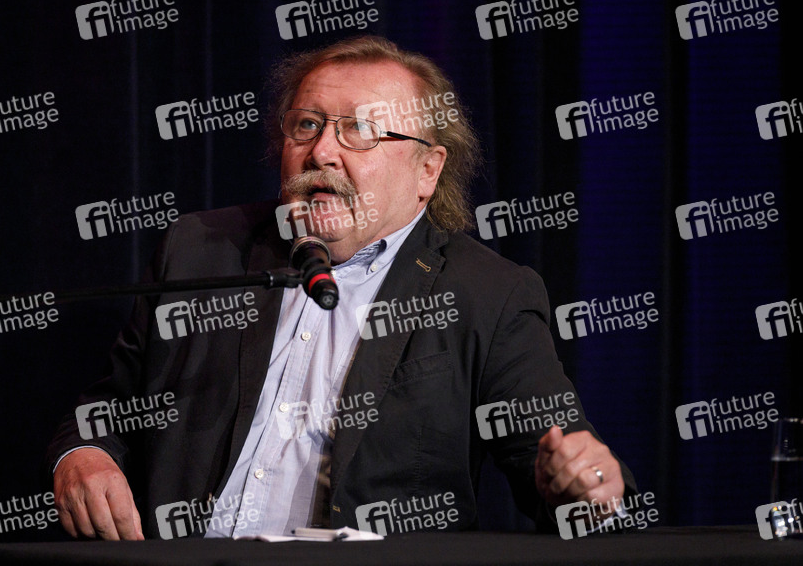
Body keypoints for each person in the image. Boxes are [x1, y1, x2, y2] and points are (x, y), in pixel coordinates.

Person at [46, 35, 636, 541]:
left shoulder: (487, 294)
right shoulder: (200, 250)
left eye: (361, 130)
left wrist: (587, 490)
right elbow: (110, 409)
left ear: (428, 169)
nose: (322, 151)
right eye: (307, 125)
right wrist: (82, 454)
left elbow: (564, 468)